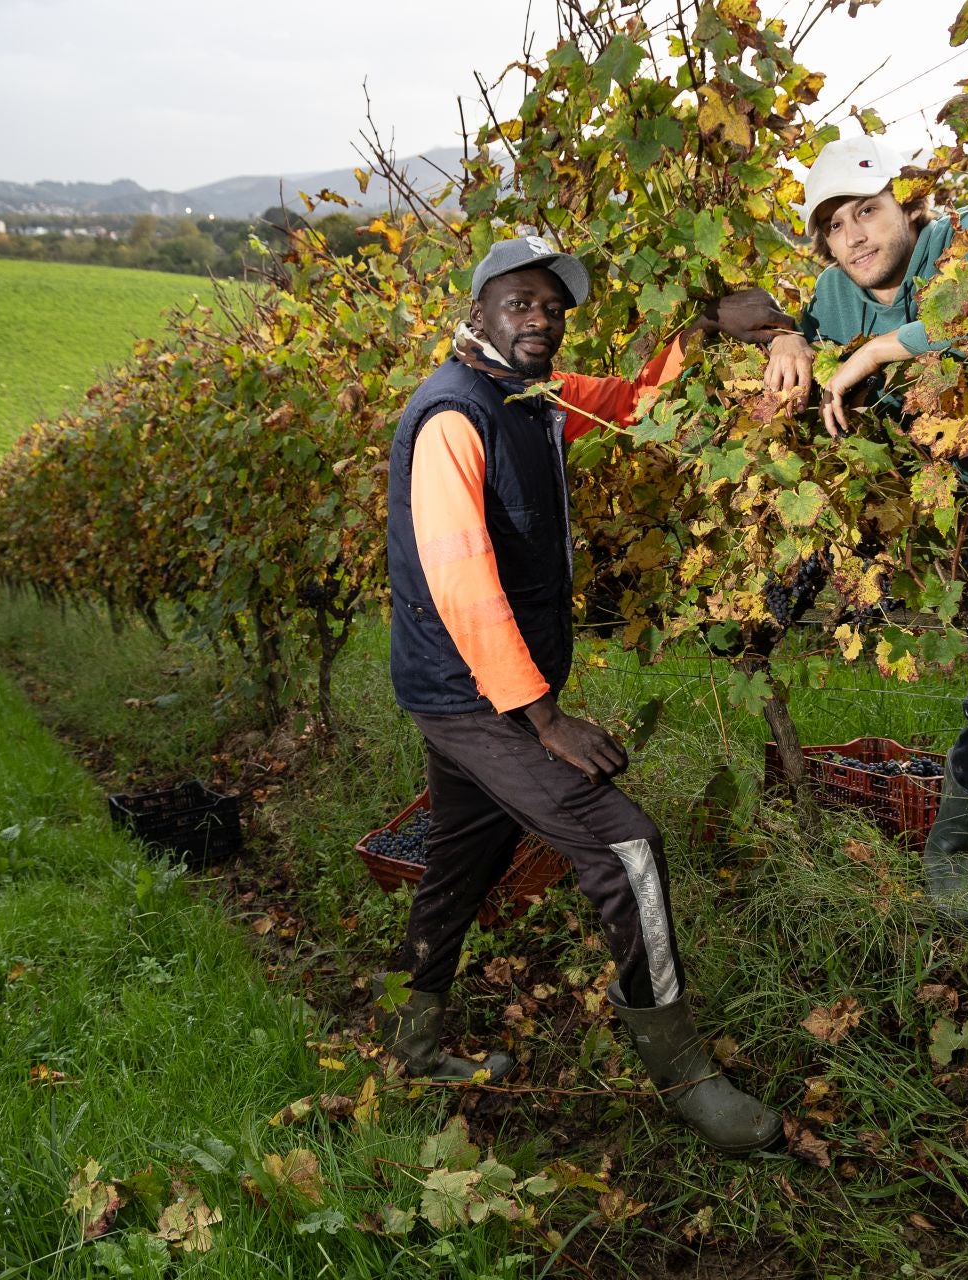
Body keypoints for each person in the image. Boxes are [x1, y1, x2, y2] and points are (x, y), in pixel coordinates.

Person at [379, 233, 788, 1154]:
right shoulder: (454, 413)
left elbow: (640, 401)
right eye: (520, 302)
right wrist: (542, 716)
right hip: (472, 696)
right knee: (629, 847)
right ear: (478, 311)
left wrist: (701, 329)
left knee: (461, 857)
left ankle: (414, 1035)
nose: (541, 318)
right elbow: (459, 578)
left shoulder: (537, 399)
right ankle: (684, 1071)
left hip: (472, 691)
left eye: (554, 306)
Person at [758, 134, 968, 917]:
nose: (855, 237)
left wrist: (877, 352)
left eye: (868, 212)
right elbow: (769, 318)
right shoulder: (833, 293)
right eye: (836, 226)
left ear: (906, 207)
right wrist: (784, 335)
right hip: (940, 504)